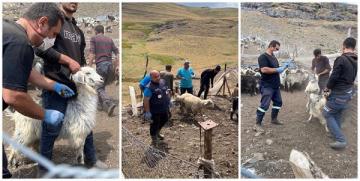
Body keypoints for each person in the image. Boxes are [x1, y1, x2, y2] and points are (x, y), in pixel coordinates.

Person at [2, 3, 76, 178]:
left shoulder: (8, 30)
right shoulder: (20, 43)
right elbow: (14, 96)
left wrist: (53, 85)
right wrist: (46, 115)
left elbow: (24, 71)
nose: (51, 39)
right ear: (42, 22)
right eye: (54, 34)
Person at [35, 3, 106, 175]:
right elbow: (42, 48)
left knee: (85, 123)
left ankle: (91, 159)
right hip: (55, 83)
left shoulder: (78, 30)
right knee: (52, 125)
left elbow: (80, 59)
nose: (74, 1)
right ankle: (44, 169)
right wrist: (67, 61)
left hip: (76, 86)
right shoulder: (54, 22)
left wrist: (85, 70)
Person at [323, 37, 357, 149]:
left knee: (327, 113)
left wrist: (327, 88)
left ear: (344, 46)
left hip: (338, 94)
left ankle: (340, 139)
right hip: (347, 92)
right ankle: (336, 133)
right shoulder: (355, 59)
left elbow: (334, 76)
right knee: (336, 113)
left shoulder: (341, 59)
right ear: (354, 47)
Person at [254, 40, 291, 132]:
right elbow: (264, 70)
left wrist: (284, 67)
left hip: (275, 85)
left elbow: (276, 69)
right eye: (276, 48)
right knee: (264, 105)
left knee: (278, 102)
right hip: (267, 85)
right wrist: (278, 69)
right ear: (271, 46)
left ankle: (274, 119)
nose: (277, 50)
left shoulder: (273, 57)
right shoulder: (262, 57)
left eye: (278, 49)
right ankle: (257, 124)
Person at [88, 25, 118, 116]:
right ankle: (100, 105)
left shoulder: (94, 39)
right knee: (102, 85)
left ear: (96, 31)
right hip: (110, 66)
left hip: (101, 65)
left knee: (99, 87)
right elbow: (117, 52)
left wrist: (89, 66)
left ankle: (108, 103)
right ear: (103, 31)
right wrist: (117, 65)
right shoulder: (109, 39)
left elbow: (92, 53)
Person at [143, 70, 171, 146]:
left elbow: (167, 91)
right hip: (154, 110)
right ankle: (154, 137)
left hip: (163, 108)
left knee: (165, 119)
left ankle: (157, 132)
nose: (158, 78)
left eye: (158, 76)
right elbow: (146, 100)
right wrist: (147, 112)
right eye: (155, 77)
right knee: (154, 124)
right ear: (151, 78)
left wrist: (169, 101)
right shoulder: (149, 88)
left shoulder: (163, 81)